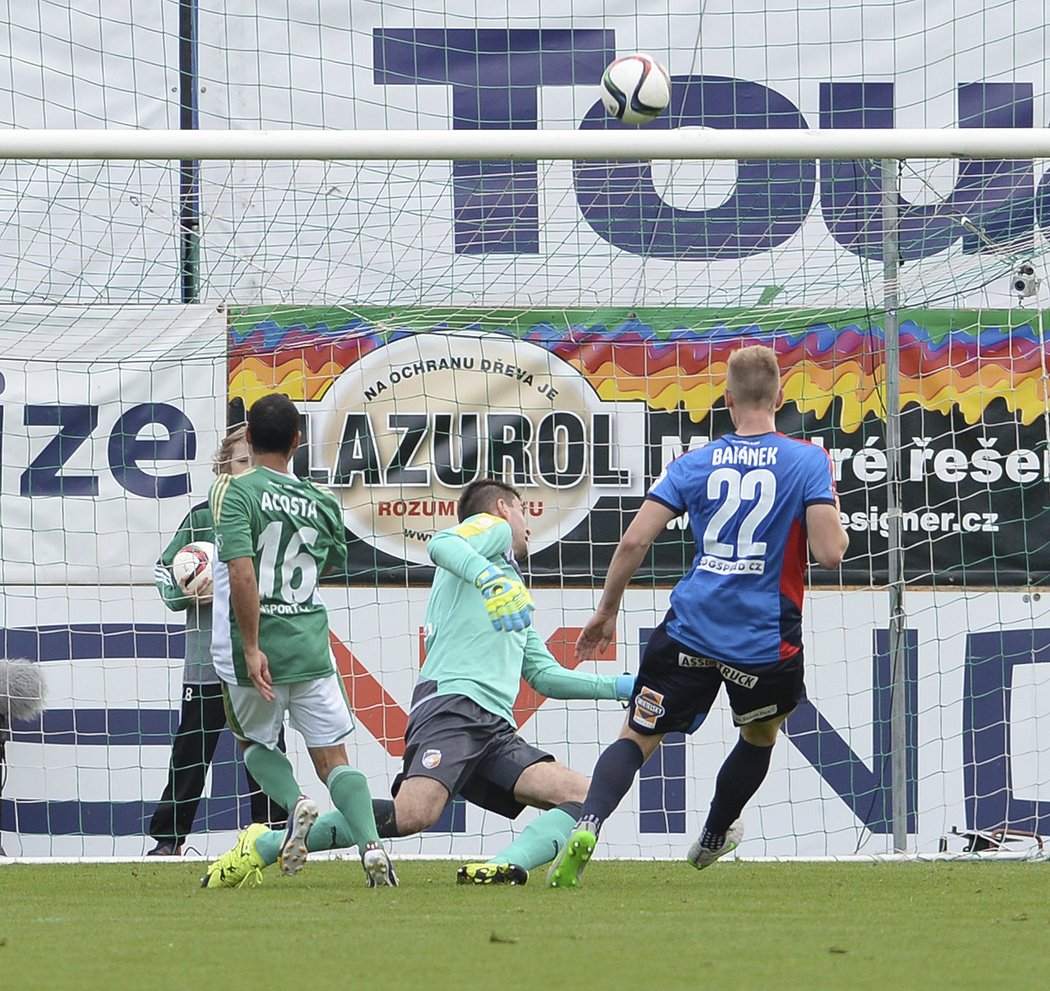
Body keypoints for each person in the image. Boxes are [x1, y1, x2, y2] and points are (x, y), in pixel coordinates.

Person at [203, 477, 634, 887]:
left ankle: (505, 866)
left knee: (586, 795)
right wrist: (487, 577)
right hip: (453, 707)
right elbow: (444, 543)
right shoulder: (493, 535)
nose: (527, 525)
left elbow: (543, 676)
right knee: (414, 814)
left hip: (494, 729)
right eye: (523, 511)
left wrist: (621, 686)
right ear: (503, 508)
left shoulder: (511, 589)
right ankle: (261, 843)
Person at [547, 344, 850, 887]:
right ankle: (714, 833)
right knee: (759, 738)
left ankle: (589, 821)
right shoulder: (807, 460)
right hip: (763, 644)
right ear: (780, 396)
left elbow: (634, 540)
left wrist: (605, 613)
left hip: (688, 628)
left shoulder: (694, 462)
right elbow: (830, 553)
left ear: (727, 398)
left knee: (637, 736)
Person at [200, 393, 396, 888]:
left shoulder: (231, 490)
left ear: (247, 436)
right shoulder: (322, 501)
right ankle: (371, 845)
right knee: (334, 759)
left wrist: (250, 646)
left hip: (252, 651)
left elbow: (242, 573)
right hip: (310, 645)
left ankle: (295, 805)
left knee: (253, 742)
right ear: (297, 442)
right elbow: (329, 561)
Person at [147, 426, 286, 856]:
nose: (249, 469)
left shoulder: (277, 515)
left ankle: (275, 836)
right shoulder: (202, 517)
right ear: (223, 469)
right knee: (192, 747)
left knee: (266, 746)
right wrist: (184, 590)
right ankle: (168, 841)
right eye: (241, 461)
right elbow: (162, 569)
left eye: (255, 461)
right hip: (207, 660)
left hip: (260, 659)